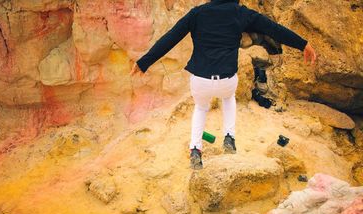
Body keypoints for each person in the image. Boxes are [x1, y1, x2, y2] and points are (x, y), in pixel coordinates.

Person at [130, 0, 316, 170]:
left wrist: (144, 62)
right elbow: (274, 29)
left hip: (200, 80)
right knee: (228, 99)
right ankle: (229, 138)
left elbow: (170, 38)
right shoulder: (240, 13)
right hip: (226, 80)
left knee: (201, 108)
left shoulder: (197, 13)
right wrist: (303, 45)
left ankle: (195, 149)